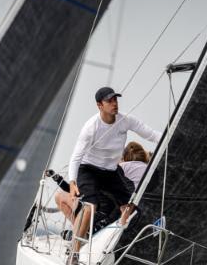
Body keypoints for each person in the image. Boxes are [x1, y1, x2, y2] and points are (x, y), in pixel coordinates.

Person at [55, 87, 161, 245]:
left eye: (115, 100)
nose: (114, 104)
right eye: (109, 101)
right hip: (89, 169)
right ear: (100, 105)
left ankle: (111, 241)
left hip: (111, 171)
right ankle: (74, 252)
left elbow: (151, 134)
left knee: (129, 206)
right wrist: (72, 182)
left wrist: (174, 137)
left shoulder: (126, 120)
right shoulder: (91, 128)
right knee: (90, 207)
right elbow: (76, 157)